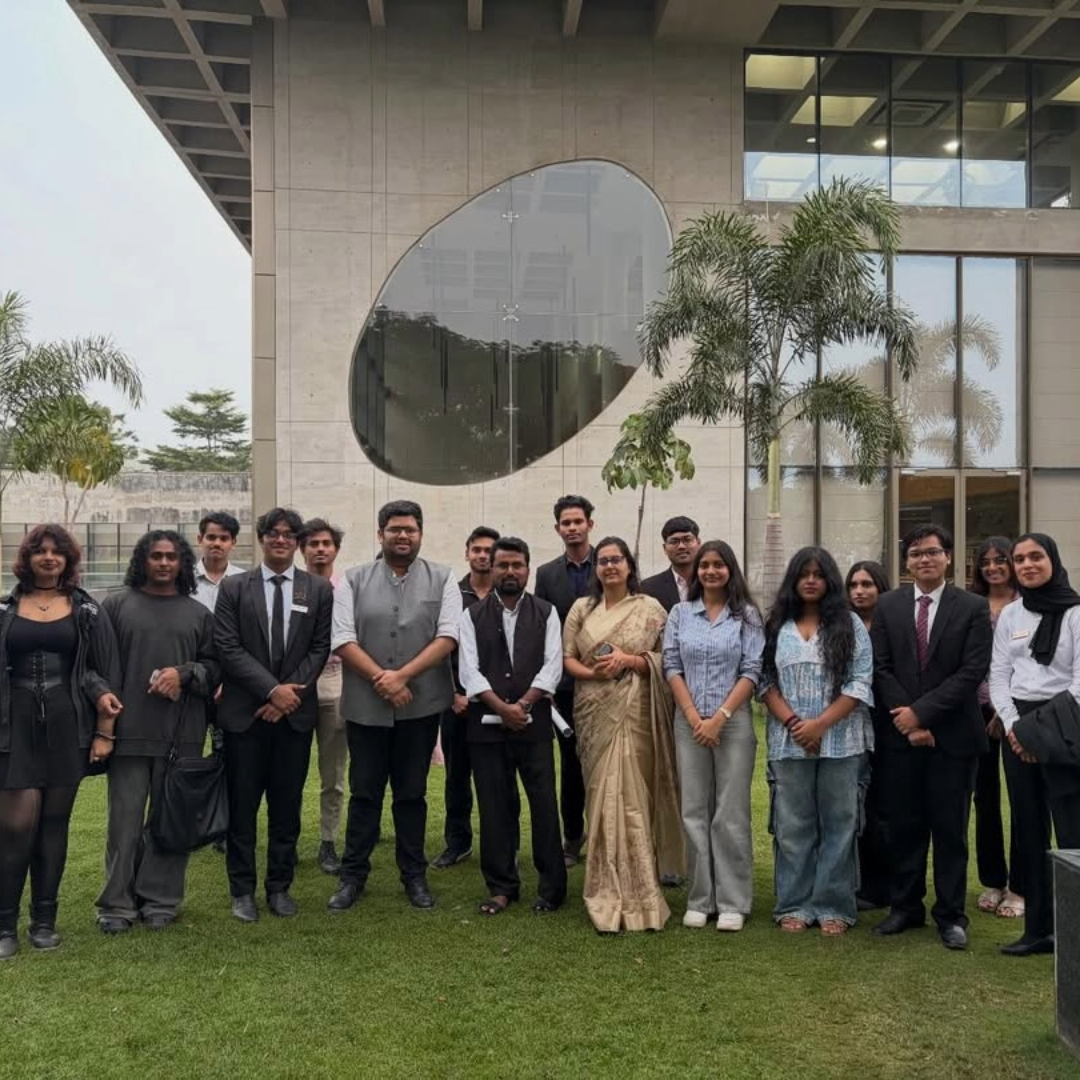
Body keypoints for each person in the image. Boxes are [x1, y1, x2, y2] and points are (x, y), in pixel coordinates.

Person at [329, 500, 462, 912]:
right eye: (394, 529)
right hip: (366, 708)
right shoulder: (352, 580)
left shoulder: (444, 578)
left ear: (420, 534)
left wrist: (402, 677)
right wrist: (383, 681)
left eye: (410, 529)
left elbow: (448, 636)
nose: (402, 536)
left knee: (411, 794)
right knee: (364, 793)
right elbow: (342, 638)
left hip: (420, 707)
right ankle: (353, 876)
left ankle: (414, 876)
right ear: (380, 533)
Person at [0, 525, 121, 959]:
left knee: (54, 824)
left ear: (68, 560)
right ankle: (5, 925)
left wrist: (104, 727)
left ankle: (44, 922)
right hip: (13, 727)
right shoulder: (5, 607)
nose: (49, 557)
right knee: (15, 827)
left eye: (57, 552)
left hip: (67, 726)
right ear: (27, 558)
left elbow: (100, 670)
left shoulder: (86, 609)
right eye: (40, 551)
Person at [871, 525, 992, 951]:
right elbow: (880, 668)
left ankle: (951, 915)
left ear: (949, 558)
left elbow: (972, 671)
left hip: (953, 739)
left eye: (933, 552)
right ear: (906, 562)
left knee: (950, 829)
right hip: (901, 738)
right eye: (916, 553)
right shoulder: (887, 605)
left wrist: (922, 714)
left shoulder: (973, 607)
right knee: (903, 826)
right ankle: (905, 907)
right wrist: (908, 720)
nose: (924, 559)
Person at [214, 507, 334, 923]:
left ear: (297, 542)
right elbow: (228, 647)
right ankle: (242, 891)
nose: (281, 540)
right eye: (273, 533)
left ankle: (279, 887)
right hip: (245, 716)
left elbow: (319, 648)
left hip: (293, 718)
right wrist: (271, 690)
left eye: (288, 534)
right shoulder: (234, 588)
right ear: (261, 538)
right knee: (242, 808)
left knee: (286, 807)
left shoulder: (317, 589)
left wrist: (287, 696)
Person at [96, 531, 218, 933]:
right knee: (124, 825)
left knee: (171, 822)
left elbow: (216, 668)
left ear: (182, 563)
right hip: (128, 734)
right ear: (142, 561)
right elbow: (98, 667)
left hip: (181, 736)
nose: (164, 563)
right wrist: (105, 726)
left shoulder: (198, 614)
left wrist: (184, 673)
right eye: (156, 556)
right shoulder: (116, 606)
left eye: (171, 556)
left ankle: (161, 900)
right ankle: (116, 905)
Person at [562, 536, 683, 932]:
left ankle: (643, 893)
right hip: (593, 710)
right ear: (596, 568)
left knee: (633, 799)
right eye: (603, 560)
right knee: (601, 797)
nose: (610, 566)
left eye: (617, 559)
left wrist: (630, 660)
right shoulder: (582, 608)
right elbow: (567, 659)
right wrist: (594, 673)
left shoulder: (650, 609)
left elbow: (668, 660)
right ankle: (604, 889)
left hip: (635, 711)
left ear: (630, 565)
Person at [760, 548, 874, 936]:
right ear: (793, 580)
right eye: (804, 574)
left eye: (819, 574)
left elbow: (860, 682)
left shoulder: (850, 624)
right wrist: (797, 724)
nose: (811, 580)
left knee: (840, 825)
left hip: (842, 742)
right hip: (788, 741)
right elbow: (765, 681)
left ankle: (833, 906)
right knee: (793, 826)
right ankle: (794, 904)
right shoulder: (776, 624)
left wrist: (820, 726)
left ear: (830, 580)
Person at [457, 538, 566, 915]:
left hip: (534, 726)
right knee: (494, 807)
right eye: (502, 565)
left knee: (544, 806)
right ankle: (502, 886)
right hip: (486, 728)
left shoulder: (547, 612)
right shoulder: (471, 615)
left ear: (528, 569)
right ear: (491, 568)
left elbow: (553, 665)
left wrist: (523, 705)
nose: (509, 572)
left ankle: (552, 888)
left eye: (517, 565)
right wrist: (502, 708)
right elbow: (468, 670)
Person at [663, 540, 763, 931]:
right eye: (704, 565)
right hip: (689, 723)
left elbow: (752, 669)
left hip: (732, 723)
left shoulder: (747, 615)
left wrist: (719, 718)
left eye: (718, 564)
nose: (710, 571)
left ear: (730, 569)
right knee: (693, 810)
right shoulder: (680, 612)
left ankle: (733, 901)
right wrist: (693, 716)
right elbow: (672, 665)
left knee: (730, 812)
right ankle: (701, 899)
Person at [989, 532, 1080, 957]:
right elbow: (998, 675)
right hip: (1018, 723)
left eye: (1035, 557)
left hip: (1066, 723)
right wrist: (1014, 728)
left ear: (1053, 560)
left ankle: (1072, 933)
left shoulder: (1076, 613)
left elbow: (1078, 685)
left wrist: (1033, 732)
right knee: (1028, 828)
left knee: (1071, 831)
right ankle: (1038, 930)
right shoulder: (1011, 614)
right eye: (1020, 558)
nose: (1027, 565)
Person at [431, 525, 500, 871]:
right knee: (457, 777)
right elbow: (440, 650)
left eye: (489, 551)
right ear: (467, 553)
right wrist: (453, 694)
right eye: (477, 550)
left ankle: (501, 844)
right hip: (458, 704)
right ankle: (457, 843)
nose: (483, 556)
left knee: (497, 778)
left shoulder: (508, 595)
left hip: (499, 704)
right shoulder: (452, 596)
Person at [535, 495, 595, 867]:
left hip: (607, 683)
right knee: (571, 765)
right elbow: (542, 630)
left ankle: (608, 836)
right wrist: (547, 685)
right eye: (565, 523)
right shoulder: (546, 574)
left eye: (578, 521)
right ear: (557, 528)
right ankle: (572, 838)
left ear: (590, 524)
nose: (572, 528)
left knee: (609, 762)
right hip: (565, 688)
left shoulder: (610, 562)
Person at [970, 537, 1024, 921]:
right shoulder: (972, 605)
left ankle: (1020, 887)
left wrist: (1004, 712)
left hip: (1020, 711)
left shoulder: (1027, 605)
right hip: (975, 709)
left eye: (1000, 560)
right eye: (985, 561)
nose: (992, 567)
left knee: (1023, 799)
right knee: (984, 798)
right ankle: (993, 880)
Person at [299, 517, 347, 876]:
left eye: (325, 543)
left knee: (333, 771)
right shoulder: (291, 588)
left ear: (335, 549)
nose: (319, 549)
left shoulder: (346, 590)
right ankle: (286, 838)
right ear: (302, 549)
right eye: (313, 543)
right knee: (289, 770)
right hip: (295, 684)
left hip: (335, 680)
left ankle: (328, 841)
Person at [846, 560, 891, 911]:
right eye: (854, 585)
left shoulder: (893, 622)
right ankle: (863, 884)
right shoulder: (841, 625)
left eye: (867, 584)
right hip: (851, 721)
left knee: (886, 807)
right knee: (859, 806)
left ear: (881, 587)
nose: (859, 591)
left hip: (890, 721)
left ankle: (889, 884)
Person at [642, 516, 702, 613]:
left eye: (687, 540)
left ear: (698, 543)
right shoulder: (649, 588)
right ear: (665, 548)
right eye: (674, 542)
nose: (681, 546)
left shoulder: (711, 582)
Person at [193, 511, 245, 612]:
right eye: (211, 537)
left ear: (233, 543)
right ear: (199, 540)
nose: (217, 543)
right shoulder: (185, 578)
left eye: (224, 539)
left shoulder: (244, 581)